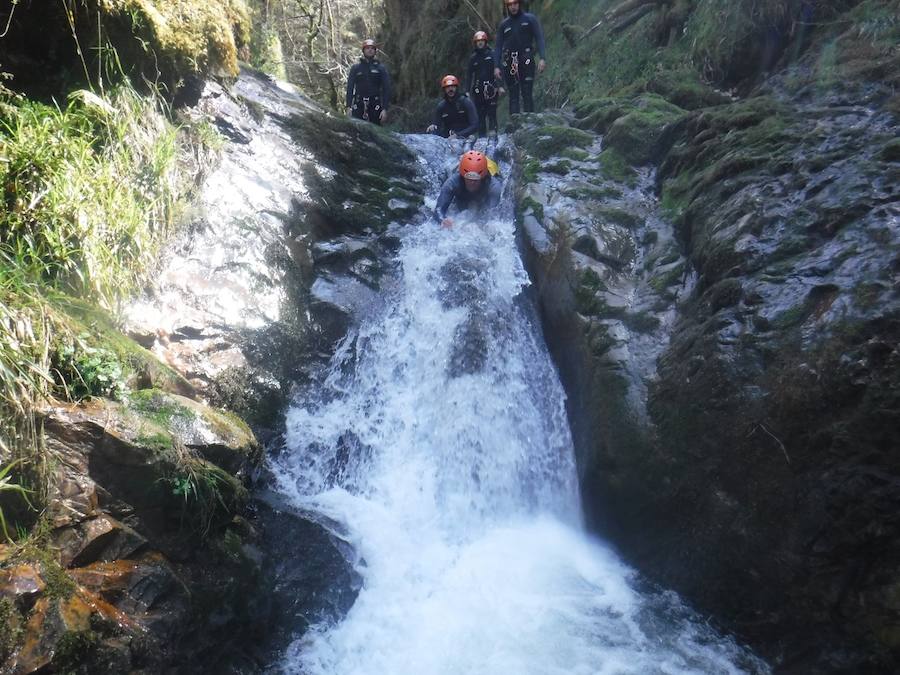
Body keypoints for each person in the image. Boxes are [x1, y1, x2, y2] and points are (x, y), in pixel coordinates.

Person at [494, 0, 547, 114]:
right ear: (507, 7)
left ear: (519, 4)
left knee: (527, 93)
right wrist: (496, 66)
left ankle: (530, 122)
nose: (513, 7)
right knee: (513, 96)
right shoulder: (504, 25)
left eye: (515, 4)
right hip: (510, 63)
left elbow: (539, 38)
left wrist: (542, 58)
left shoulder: (530, 19)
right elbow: (498, 47)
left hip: (526, 60)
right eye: (510, 5)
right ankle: (515, 123)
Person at [435, 151, 502, 228]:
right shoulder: (452, 183)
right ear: (463, 176)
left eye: (476, 179)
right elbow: (438, 210)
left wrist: (480, 226)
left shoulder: (494, 187)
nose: (472, 182)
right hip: (461, 202)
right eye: (469, 179)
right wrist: (443, 220)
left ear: (483, 177)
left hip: (482, 202)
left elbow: (492, 217)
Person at [466, 31, 505, 137]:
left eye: (482, 41)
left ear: (485, 41)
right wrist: (467, 91)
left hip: (492, 88)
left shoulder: (492, 54)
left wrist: (501, 86)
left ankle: (494, 135)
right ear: (475, 43)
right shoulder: (473, 58)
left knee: (492, 112)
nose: (480, 43)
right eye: (478, 41)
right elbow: (469, 75)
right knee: (480, 115)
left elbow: (499, 70)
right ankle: (482, 138)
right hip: (478, 90)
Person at [346, 39, 391, 125]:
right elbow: (350, 87)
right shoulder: (356, 68)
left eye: (372, 48)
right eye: (367, 48)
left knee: (375, 130)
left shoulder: (381, 68)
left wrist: (385, 109)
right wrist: (348, 107)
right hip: (358, 104)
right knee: (357, 129)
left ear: (375, 51)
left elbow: (386, 89)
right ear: (363, 50)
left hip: (375, 105)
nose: (370, 50)